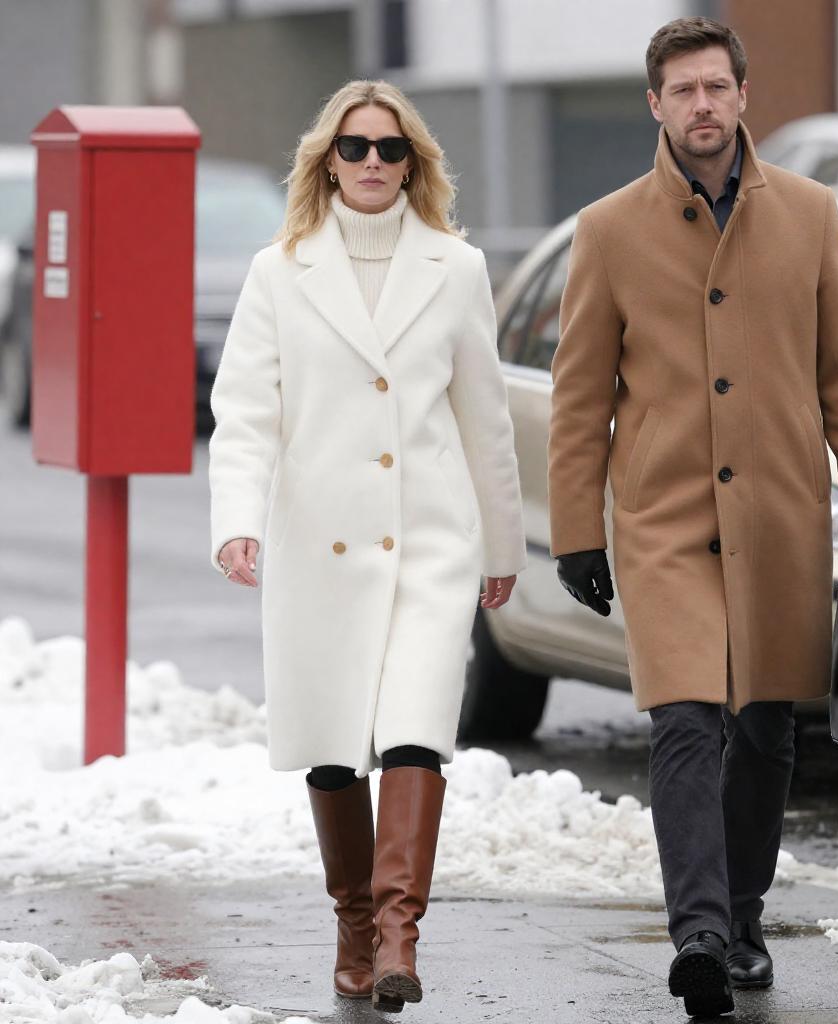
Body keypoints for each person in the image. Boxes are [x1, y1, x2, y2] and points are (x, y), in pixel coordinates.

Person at [546, 17, 838, 1019]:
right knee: (685, 718)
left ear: (742, 95)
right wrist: (577, 532)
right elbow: (579, 398)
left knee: (766, 729)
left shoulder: (810, 213)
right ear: (654, 106)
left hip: (780, 513)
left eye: (716, 86)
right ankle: (699, 933)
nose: (701, 104)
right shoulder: (608, 229)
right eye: (682, 90)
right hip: (663, 517)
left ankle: (742, 916)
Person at [208, 79, 527, 1011]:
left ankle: (397, 936)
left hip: (430, 539)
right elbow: (245, 413)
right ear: (329, 161)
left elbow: (485, 420)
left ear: (414, 164)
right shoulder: (280, 271)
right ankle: (353, 923)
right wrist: (237, 521)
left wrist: (502, 543)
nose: (374, 162)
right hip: (319, 545)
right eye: (355, 147)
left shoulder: (456, 268)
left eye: (392, 148)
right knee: (335, 745)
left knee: (418, 732)